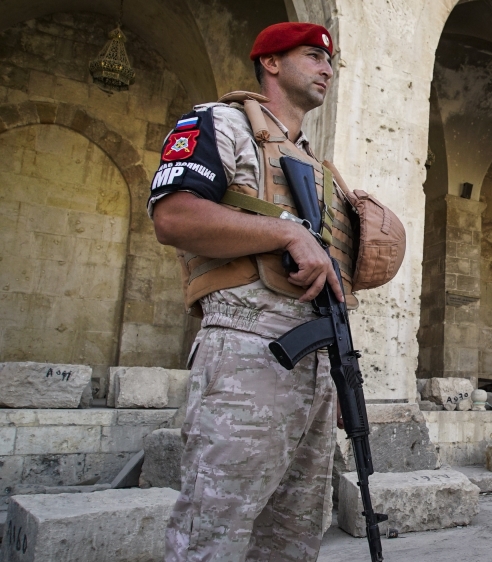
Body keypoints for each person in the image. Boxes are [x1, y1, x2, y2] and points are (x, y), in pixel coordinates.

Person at [149, 22, 353, 562]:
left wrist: (340, 370)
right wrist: (286, 231)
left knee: (293, 539)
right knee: (214, 532)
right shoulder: (220, 123)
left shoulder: (316, 164)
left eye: (329, 61)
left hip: (314, 364)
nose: (327, 68)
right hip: (246, 354)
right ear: (270, 62)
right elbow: (173, 216)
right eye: (313, 56)